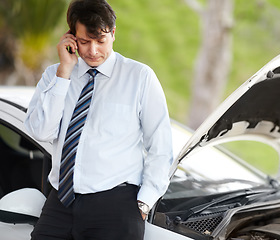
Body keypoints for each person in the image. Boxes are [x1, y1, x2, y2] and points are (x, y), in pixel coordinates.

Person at [24, 0, 173, 239]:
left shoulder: (139, 77)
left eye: (100, 41)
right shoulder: (54, 75)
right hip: (60, 203)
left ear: (113, 34)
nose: (93, 51)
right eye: (84, 42)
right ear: (71, 38)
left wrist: (144, 202)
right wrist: (64, 73)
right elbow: (40, 132)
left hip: (114, 207)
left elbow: (160, 145)